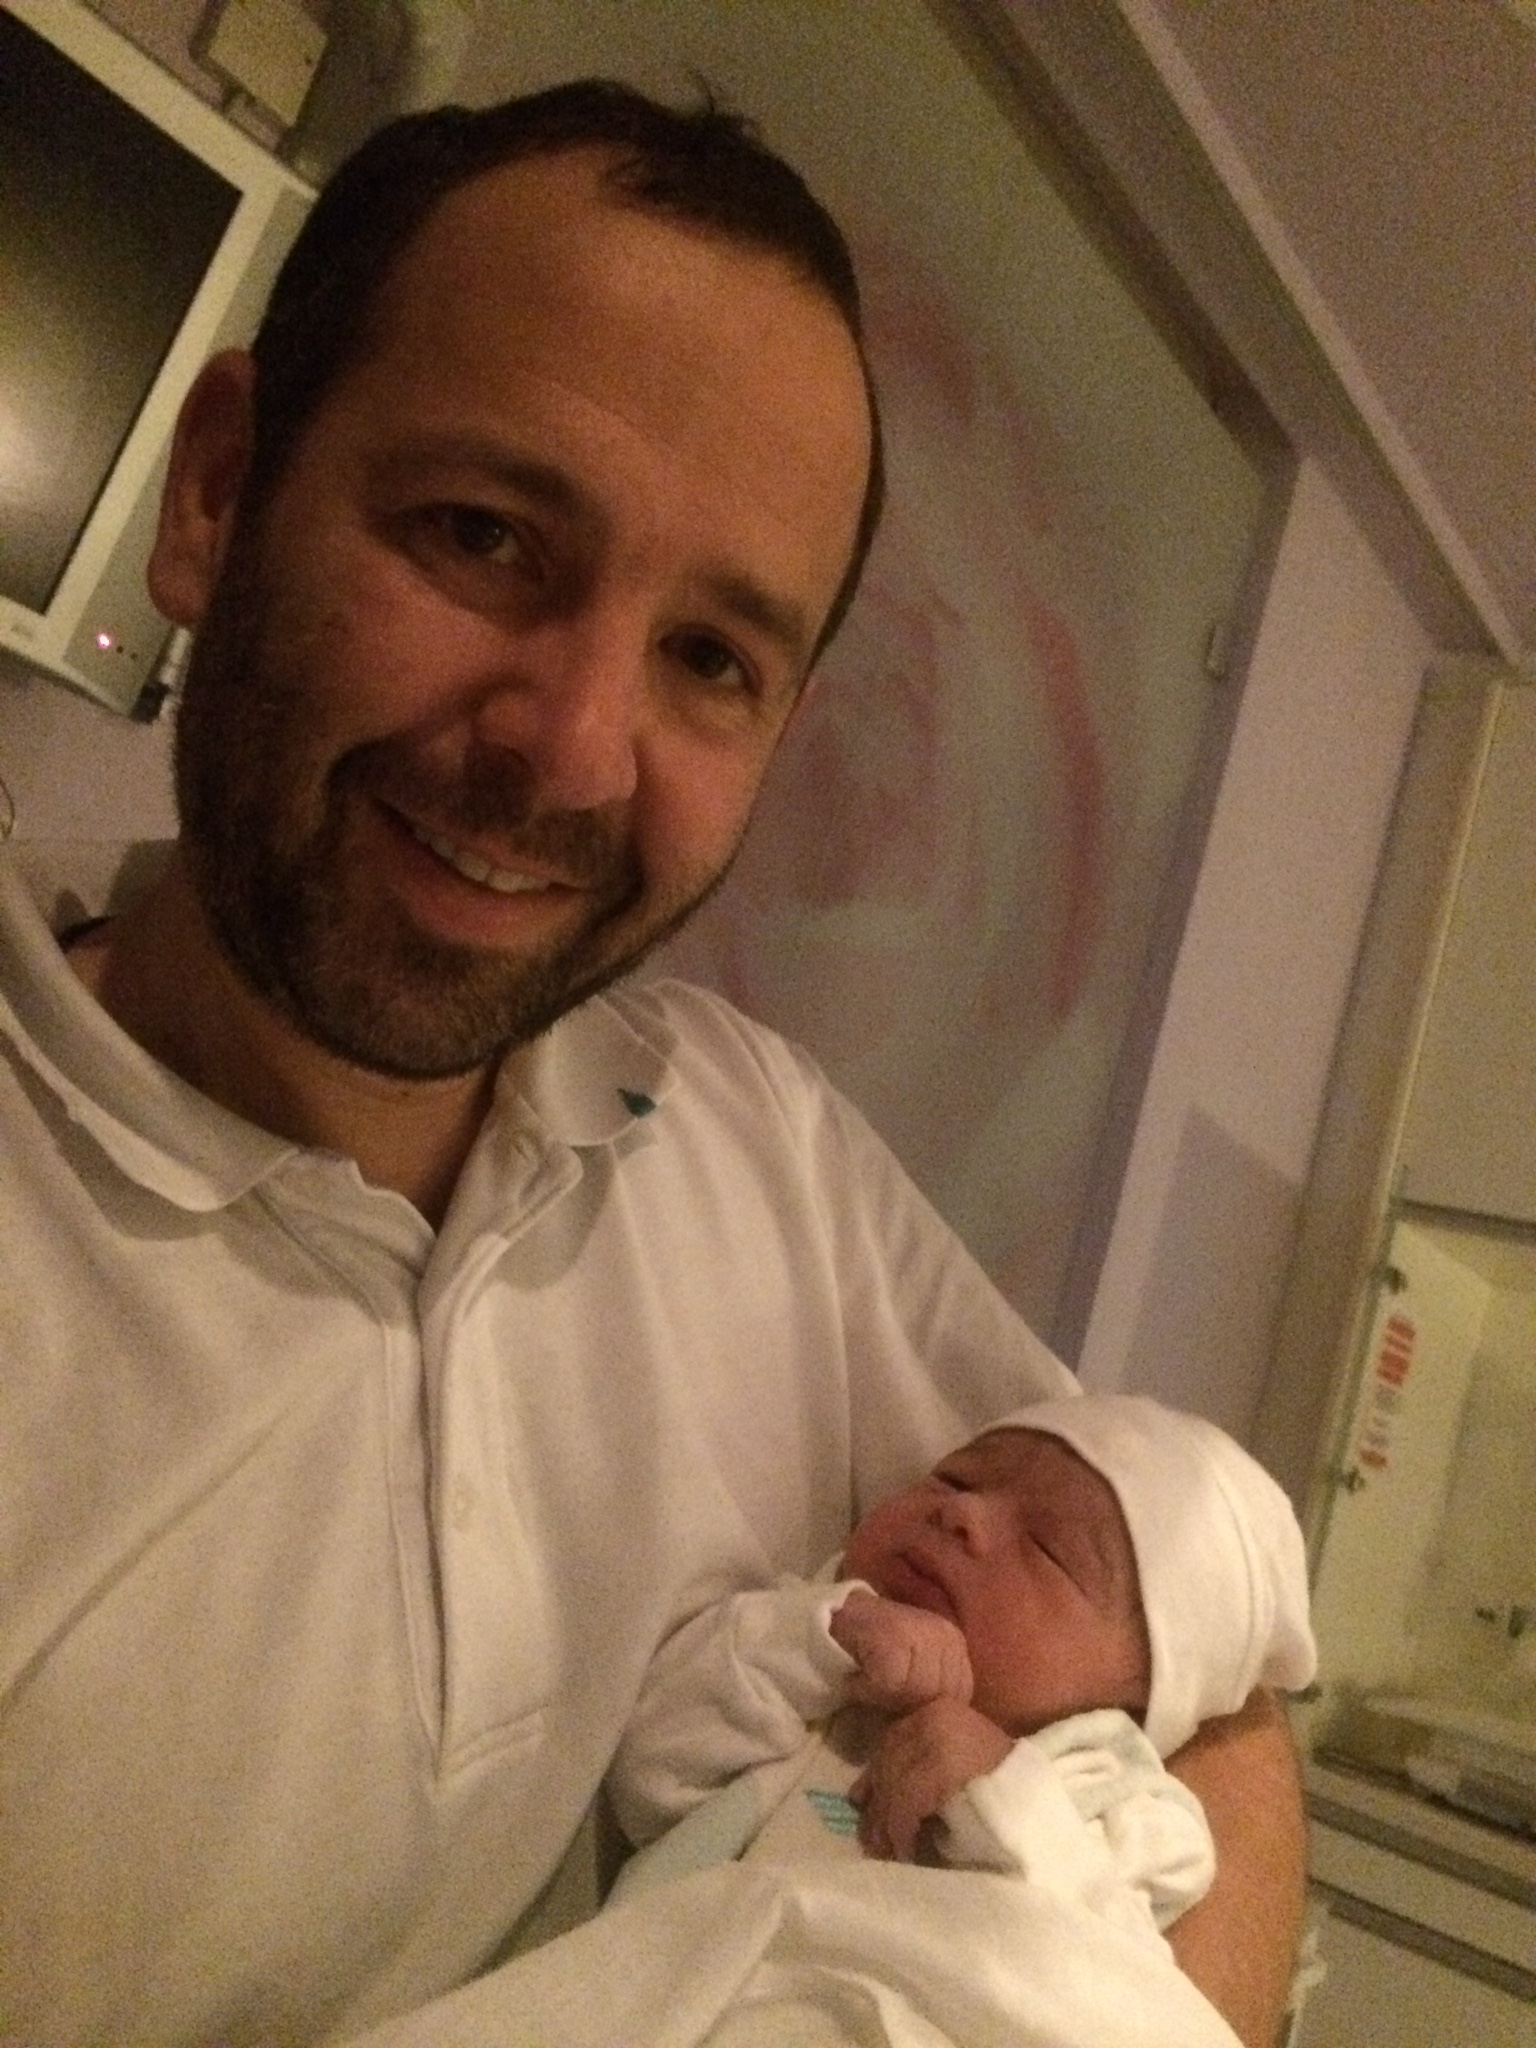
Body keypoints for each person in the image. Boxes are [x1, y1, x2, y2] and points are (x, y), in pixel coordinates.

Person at [0, 79, 1303, 2048]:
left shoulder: (754, 1140)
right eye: (482, 536)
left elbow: (1218, 1684)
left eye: (710, 657)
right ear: (218, 490)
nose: (573, 747)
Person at [610, 1394, 1316, 1946]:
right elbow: (648, 1776)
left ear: (1136, 1702)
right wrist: (818, 1645)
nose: (963, 1513)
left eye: (1047, 1549)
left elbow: (1105, 1978)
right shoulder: (806, 1662)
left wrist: (1003, 1795)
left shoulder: (1127, 1808)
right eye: (954, 1478)